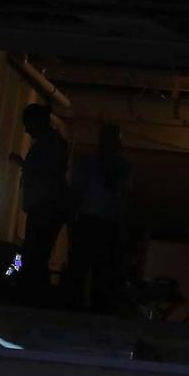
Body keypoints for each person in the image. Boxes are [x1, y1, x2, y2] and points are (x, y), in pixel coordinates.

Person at [64, 123, 131, 313]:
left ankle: (86, 306)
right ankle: (87, 306)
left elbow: (121, 198)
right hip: (96, 222)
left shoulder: (95, 164)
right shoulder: (116, 166)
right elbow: (121, 198)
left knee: (94, 268)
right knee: (92, 268)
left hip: (99, 222)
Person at [9, 103, 69, 304]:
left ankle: (32, 297)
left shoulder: (50, 144)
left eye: (28, 124)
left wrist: (24, 165)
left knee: (35, 253)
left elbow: (48, 174)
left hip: (45, 209)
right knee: (36, 254)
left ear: (39, 122)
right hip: (44, 208)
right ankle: (36, 296)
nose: (26, 130)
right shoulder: (51, 143)